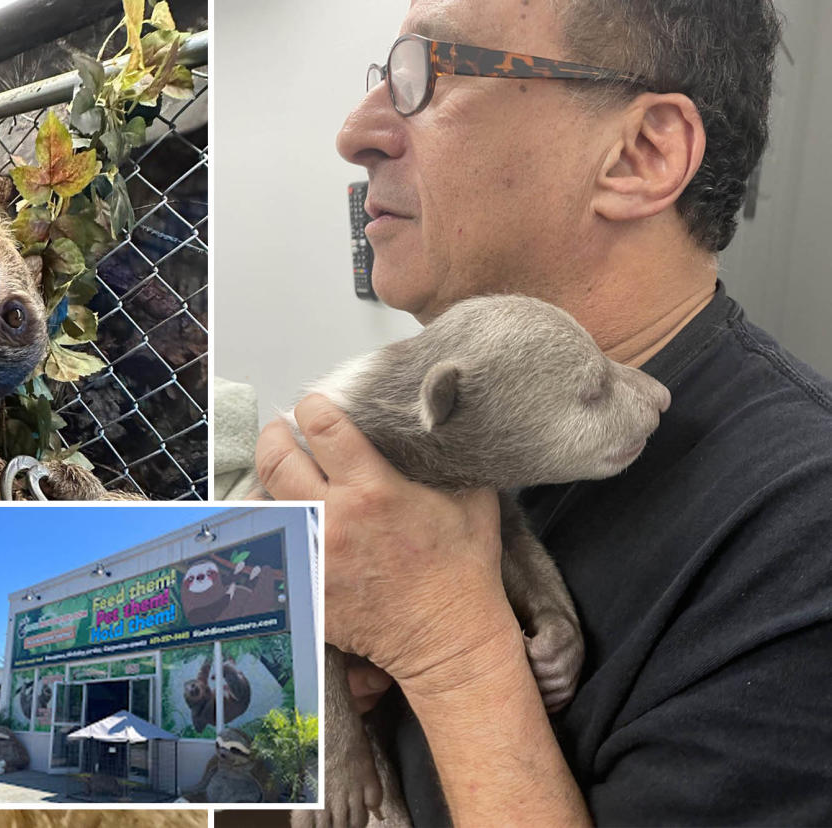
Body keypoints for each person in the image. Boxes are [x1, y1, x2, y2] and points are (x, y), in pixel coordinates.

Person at [256, 0, 832, 823]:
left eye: (431, 74)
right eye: (385, 74)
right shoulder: (402, 462)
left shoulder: (803, 535)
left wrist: (450, 649)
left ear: (639, 154)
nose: (357, 130)